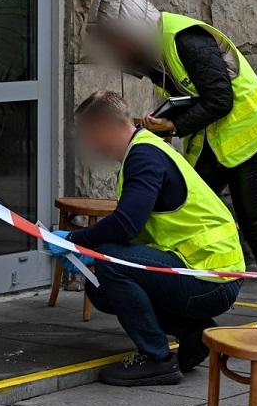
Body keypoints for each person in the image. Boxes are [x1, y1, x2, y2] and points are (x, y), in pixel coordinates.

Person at [85, 0, 257, 327]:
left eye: (115, 38)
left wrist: (172, 127)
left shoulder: (185, 39)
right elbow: (192, 98)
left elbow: (220, 99)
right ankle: (189, 306)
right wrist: (165, 120)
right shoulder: (153, 54)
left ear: (132, 26)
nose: (115, 48)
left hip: (247, 137)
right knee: (191, 217)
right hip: (215, 142)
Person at [49, 91, 245, 387]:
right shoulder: (144, 150)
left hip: (210, 277)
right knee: (101, 287)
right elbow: (134, 225)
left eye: (88, 135)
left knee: (111, 264)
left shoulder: (143, 156)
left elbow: (126, 224)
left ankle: (157, 359)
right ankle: (193, 333)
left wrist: (77, 240)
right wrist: (88, 249)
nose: (88, 144)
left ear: (103, 129)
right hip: (205, 271)